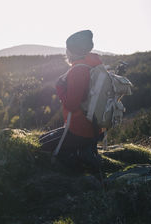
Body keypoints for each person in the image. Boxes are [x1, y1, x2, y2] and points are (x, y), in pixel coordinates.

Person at [39, 30, 104, 176]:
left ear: (73, 51)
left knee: (40, 147)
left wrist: (60, 89)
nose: (66, 51)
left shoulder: (78, 71)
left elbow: (72, 104)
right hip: (93, 127)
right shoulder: (94, 65)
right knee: (43, 139)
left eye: (67, 48)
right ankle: (83, 152)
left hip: (79, 130)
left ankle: (81, 160)